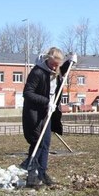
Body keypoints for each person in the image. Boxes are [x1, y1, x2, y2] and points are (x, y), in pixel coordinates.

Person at [21, 47, 76, 186]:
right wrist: (46, 102)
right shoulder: (37, 72)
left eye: (57, 65)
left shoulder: (56, 70)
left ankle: (42, 173)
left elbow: (63, 68)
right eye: (52, 64)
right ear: (47, 59)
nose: (55, 67)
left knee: (45, 143)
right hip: (35, 114)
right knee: (37, 143)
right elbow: (27, 93)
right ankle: (31, 176)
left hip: (48, 113)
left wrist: (71, 61)